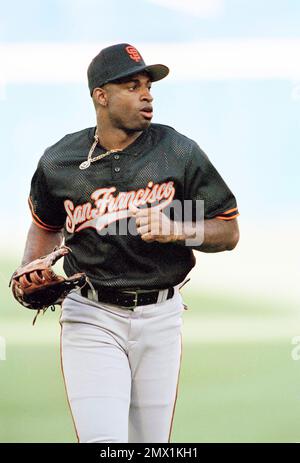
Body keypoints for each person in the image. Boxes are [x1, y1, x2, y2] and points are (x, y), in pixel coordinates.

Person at [19, 43, 239, 443]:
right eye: (132, 85)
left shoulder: (177, 151)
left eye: (149, 86)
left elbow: (227, 229)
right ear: (101, 96)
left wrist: (179, 227)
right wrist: (30, 269)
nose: (147, 94)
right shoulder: (61, 160)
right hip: (91, 315)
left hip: (162, 317)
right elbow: (44, 225)